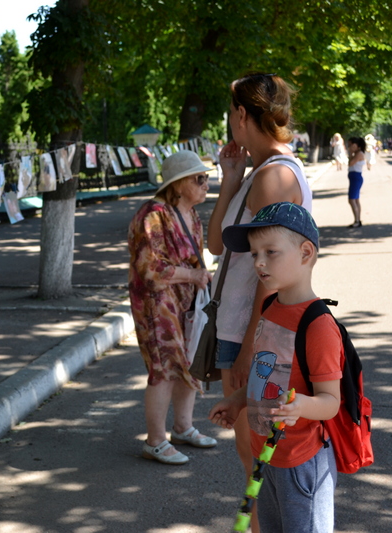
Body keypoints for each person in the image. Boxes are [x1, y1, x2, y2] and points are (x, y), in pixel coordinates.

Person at [207, 72, 313, 532]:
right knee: (251, 456)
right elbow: (218, 245)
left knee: (257, 459)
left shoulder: (273, 178)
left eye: (232, 111)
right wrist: (229, 178)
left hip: (252, 331)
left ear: (244, 115)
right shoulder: (259, 172)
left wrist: (253, 349)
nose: (230, 120)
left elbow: (268, 280)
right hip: (239, 328)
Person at [209, 202, 341, 533]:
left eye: (271, 251)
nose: (260, 262)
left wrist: (301, 406)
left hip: (300, 461)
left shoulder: (318, 325)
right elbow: (264, 373)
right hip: (264, 454)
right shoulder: (270, 307)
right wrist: (239, 399)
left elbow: (330, 402)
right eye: (254, 254)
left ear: (306, 253)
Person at [128, 150, 217, 466]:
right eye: (200, 179)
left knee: (188, 362)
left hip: (185, 301)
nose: (206, 184)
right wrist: (192, 274)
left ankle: (183, 427)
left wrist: (200, 276)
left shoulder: (190, 214)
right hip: (156, 303)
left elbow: (194, 257)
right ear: (178, 185)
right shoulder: (153, 214)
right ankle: (155, 441)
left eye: (205, 178)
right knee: (164, 368)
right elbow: (149, 268)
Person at [346, 136, 366, 228]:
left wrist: (350, 153)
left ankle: (357, 221)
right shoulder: (357, 153)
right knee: (356, 200)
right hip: (354, 177)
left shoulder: (359, 154)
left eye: (351, 145)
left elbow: (350, 163)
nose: (350, 147)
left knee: (352, 200)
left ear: (357, 146)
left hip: (356, 177)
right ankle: (357, 219)